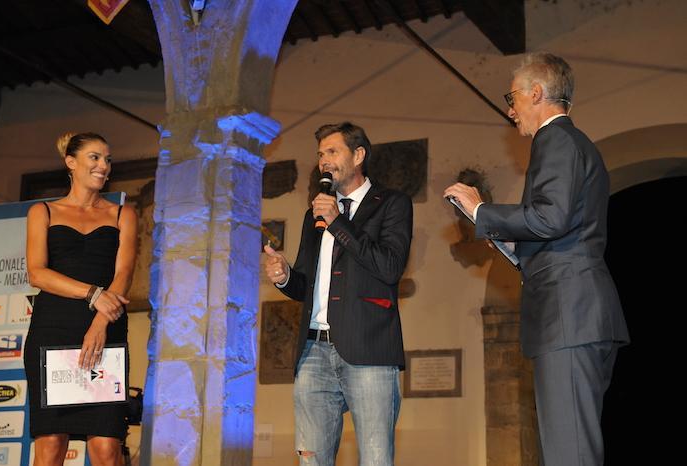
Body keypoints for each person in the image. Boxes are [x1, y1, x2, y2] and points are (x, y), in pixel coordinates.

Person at [444, 53, 629, 466]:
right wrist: (514, 246)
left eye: (512, 98)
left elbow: (551, 217)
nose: (511, 110)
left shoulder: (556, 139)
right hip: (577, 313)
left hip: (568, 315)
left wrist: (481, 210)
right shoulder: (572, 143)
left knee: (569, 453)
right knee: (569, 449)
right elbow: (565, 227)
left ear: (536, 93)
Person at [264, 122, 412, 466]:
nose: (324, 161)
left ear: (358, 155)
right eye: (320, 154)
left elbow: (390, 267)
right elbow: (305, 284)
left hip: (369, 349)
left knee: (375, 460)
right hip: (313, 352)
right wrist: (285, 277)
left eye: (332, 151)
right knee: (311, 460)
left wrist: (338, 223)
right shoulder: (313, 214)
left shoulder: (392, 203)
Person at [25, 132, 137, 466]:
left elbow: (124, 274)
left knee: (106, 448)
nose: (104, 166)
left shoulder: (122, 214)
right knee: (51, 446)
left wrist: (101, 322)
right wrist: (93, 294)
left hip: (106, 331)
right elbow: (37, 273)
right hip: (53, 331)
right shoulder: (43, 211)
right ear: (71, 162)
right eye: (95, 157)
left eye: (107, 160)